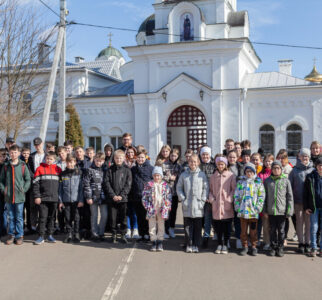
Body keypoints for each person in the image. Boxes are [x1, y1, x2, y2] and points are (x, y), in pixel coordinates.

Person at [177, 154, 209, 253]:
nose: (193, 163)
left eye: (195, 162)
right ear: (188, 162)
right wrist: (183, 199)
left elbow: (206, 188)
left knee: (198, 227)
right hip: (187, 205)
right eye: (191, 161)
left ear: (198, 163)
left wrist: (203, 201)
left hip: (198, 206)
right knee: (187, 227)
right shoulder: (184, 175)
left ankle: (196, 244)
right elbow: (179, 188)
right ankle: (189, 244)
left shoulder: (202, 175)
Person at [0, 145, 31, 245]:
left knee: (19, 217)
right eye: (11, 152)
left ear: (19, 153)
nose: (13, 154)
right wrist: (3, 190)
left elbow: (28, 179)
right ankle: (11, 235)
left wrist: (24, 189)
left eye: (15, 152)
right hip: (9, 196)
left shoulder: (22, 165)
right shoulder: (6, 166)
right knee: (11, 217)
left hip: (19, 196)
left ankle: (19, 236)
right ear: (9, 153)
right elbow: (1, 180)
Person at [263, 161, 294, 257]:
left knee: (281, 231)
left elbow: (290, 197)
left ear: (281, 169)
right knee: (272, 230)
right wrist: (265, 210)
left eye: (278, 168)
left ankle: (280, 247)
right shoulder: (267, 181)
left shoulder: (286, 181)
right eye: (274, 168)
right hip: (271, 211)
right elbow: (264, 196)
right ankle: (273, 247)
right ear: (271, 170)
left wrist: (289, 210)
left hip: (282, 211)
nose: (276, 170)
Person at [234, 162, 265, 256]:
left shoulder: (258, 182)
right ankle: (245, 246)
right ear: (245, 172)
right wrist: (237, 206)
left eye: (251, 171)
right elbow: (236, 195)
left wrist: (258, 208)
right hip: (243, 212)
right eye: (247, 171)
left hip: (253, 212)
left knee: (253, 231)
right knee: (243, 231)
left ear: (254, 172)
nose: (249, 173)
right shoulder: (240, 182)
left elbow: (261, 196)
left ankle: (254, 246)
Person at [209, 155, 236, 254]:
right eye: (219, 164)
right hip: (216, 204)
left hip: (226, 205)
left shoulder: (230, 175)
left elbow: (234, 190)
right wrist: (212, 199)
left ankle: (226, 244)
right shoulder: (213, 176)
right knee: (218, 226)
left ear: (225, 165)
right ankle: (219, 244)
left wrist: (229, 199)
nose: (220, 166)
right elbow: (210, 190)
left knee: (227, 226)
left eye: (222, 164)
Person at [33, 151, 62, 245]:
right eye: (47, 158)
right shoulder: (39, 169)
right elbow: (35, 185)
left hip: (54, 199)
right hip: (43, 199)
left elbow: (61, 185)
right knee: (42, 218)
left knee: (52, 218)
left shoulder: (58, 169)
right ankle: (41, 236)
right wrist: (37, 196)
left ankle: (50, 235)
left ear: (54, 160)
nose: (49, 160)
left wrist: (60, 199)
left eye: (51, 159)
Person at [104, 150, 132, 243]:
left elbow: (128, 184)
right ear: (114, 159)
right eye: (116, 158)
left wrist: (121, 195)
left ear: (123, 158)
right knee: (113, 218)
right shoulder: (109, 170)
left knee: (123, 218)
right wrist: (113, 195)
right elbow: (106, 183)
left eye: (120, 158)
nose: (118, 159)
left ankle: (123, 234)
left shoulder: (127, 170)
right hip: (112, 199)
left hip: (123, 199)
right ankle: (114, 234)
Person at [289, 148, 314, 254]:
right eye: (303, 156)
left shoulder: (313, 170)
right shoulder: (294, 170)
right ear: (299, 157)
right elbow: (289, 186)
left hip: (309, 203)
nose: (305, 158)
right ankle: (301, 243)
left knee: (308, 223)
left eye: (307, 156)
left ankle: (307, 243)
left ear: (309, 157)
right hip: (298, 201)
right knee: (299, 223)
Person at [142, 166, 172, 251]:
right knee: (152, 226)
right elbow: (144, 197)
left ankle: (160, 241)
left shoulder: (165, 185)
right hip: (151, 209)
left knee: (161, 225)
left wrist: (166, 207)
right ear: (153, 176)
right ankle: (153, 241)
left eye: (158, 175)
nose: (157, 177)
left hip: (162, 209)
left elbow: (168, 198)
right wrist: (147, 206)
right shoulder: (149, 185)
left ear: (161, 176)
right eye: (155, 175)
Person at [58, 154, 84, 243]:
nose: (70, 164)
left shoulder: (79, 173)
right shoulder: (62, 174)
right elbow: (60, 189)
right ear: (66, 163)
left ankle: (76, 233)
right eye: (68, 162)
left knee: (76, 218)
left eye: (72, 162)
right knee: (67, 217)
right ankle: (69, 233)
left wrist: (81, 200)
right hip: (66, 200)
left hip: (76, 200)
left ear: (75, 162)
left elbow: (81, 188)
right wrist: (60, 201)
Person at [83, 152, 107, 241]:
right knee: (94, 216)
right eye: (97, 161)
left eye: (100, 161)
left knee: (104, 215)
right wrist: (88, 197)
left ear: (103, 161)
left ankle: (101, 233)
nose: (98, 163)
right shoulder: (89, 170)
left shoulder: (105, 170)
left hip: (103, 197)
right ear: (94, 160)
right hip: (93, 197)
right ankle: (94, 233)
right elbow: (86, 184)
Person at [131, 150, 153, 241]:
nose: (140, 159)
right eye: (139, 157)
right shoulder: (133, 169)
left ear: (145, 158)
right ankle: (141, 234)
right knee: (139, 216)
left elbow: (153, 181)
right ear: (136, 158)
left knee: (146, 216)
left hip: (147, 196)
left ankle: (147, 233)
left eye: (142, 157)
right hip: (136, 195)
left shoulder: (150, 168)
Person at [304, 157, 322, 257]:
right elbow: (305, 194)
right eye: (319, 165)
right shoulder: (310, 177)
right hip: (313, 207)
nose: (321, 167)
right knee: (314, 228)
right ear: (316, 166)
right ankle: (313, 248)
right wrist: (306, 207)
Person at [162, 148, 182, 238]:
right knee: (166, 211)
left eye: (175, 156)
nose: (173, 157)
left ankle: (172, 228)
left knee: (173, 211)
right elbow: (160, 177)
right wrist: (169, 178)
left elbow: (181, 179)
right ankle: (165, 230)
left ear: (177, 156)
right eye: (171, 155)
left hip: (175, 193)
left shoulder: (179, 166)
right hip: (166, 192)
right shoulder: (164, 165)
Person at [199, 146, 216, 248]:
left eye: (207, 154)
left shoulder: (214, 165)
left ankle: (213, 234)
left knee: (211, 217)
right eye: (203, 154)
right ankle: (205, 237)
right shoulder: (198, 165)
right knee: (204, 218)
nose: (205, 156)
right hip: (200, 196)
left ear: (210, 155)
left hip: (211, 196)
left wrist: (211, 195)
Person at [258, 153, 274, 250]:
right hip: (263, 202)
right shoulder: (261, 174)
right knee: (265, 223)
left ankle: (273, 242)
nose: (268, 163)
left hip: (273, 202)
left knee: (273, 225)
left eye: (270, 161)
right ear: (263, 162)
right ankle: (267, 242)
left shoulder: (276, 172)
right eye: (266, 161)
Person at [124, 146, 140, 239]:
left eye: (132, 152)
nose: (130, 154)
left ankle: (135, 229)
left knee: (134, 212)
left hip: (134, 190)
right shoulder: (123, 163)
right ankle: (128, 229)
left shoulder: (136, 163)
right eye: (128, 152)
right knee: (127, 212)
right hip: (126, 191)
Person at [20, 147, 34, 234]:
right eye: (24, 153)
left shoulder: (31, 161)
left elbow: (32, 173)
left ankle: (29, 226)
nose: (26, 155)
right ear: (21, 153)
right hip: (21, 188)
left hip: (30, 187)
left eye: (27, 153)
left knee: (29, 208)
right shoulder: (20, 161)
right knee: (22, 208)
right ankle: (22, 226)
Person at [0, 148, 7, 237]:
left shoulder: (7, 166)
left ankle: (4, 230)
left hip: (4, 192)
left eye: (3, 156)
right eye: (0, 156)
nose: (2, 157)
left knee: (4, 212)